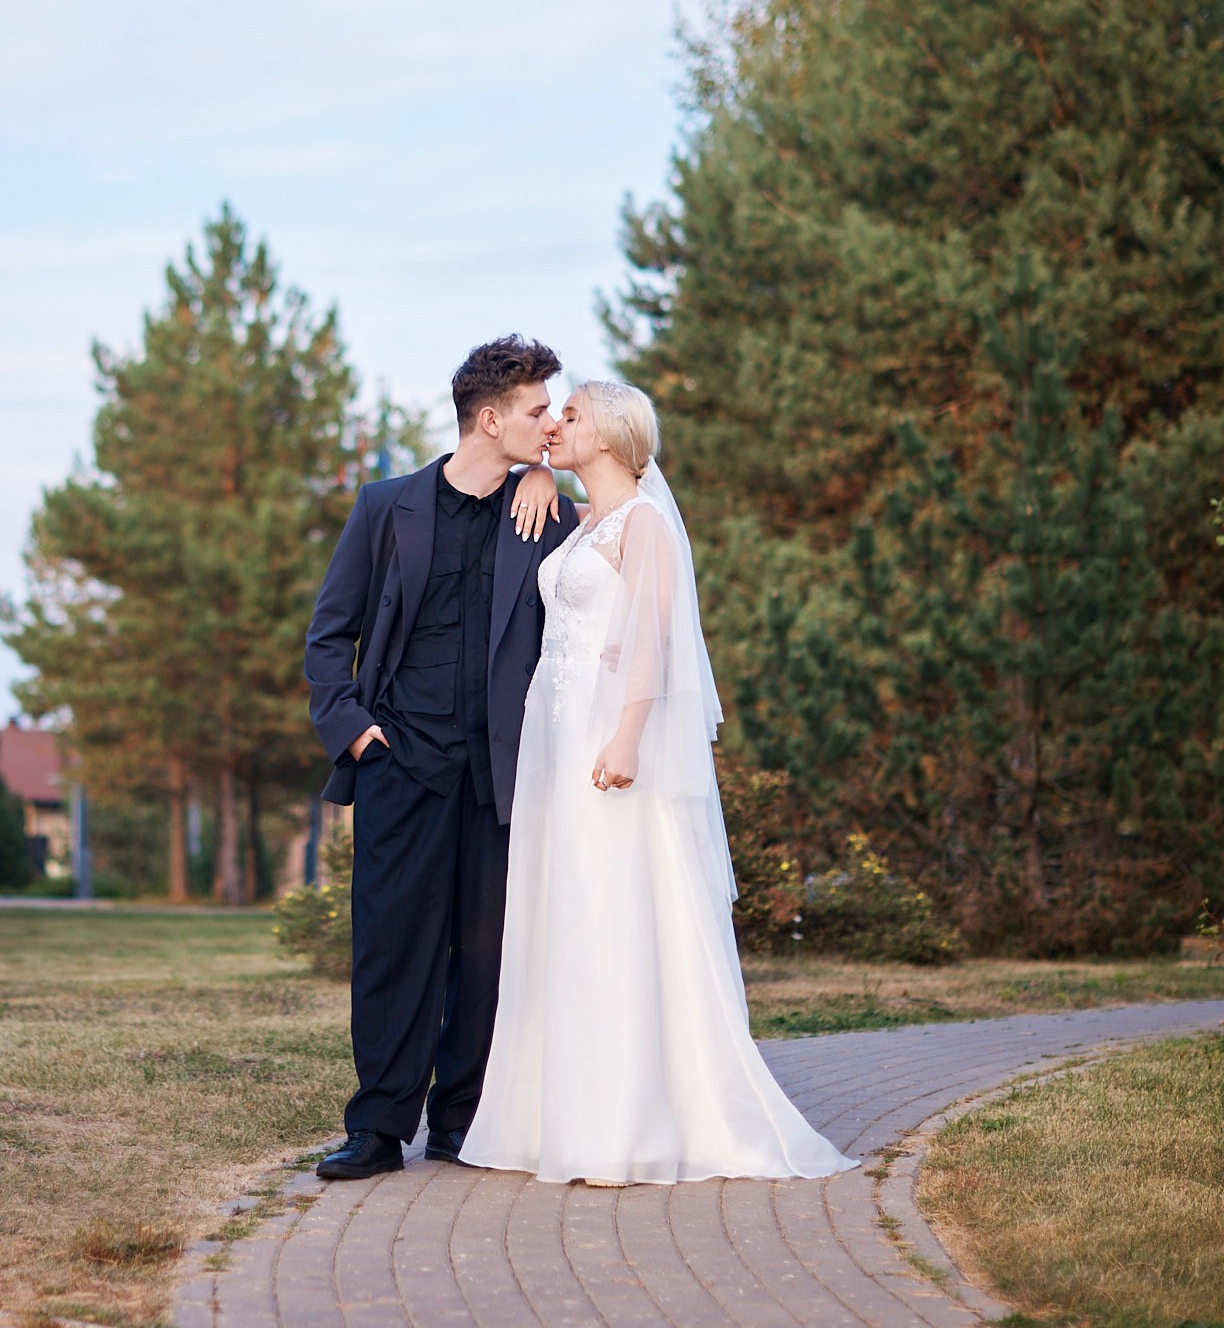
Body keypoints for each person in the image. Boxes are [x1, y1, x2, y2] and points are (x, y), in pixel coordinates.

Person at [461, 380, 855, 1184]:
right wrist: (537, 476)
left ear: (605, 434)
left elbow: (655, 640)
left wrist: (629, 735)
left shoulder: (643, 525)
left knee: (611, 908)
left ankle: (623, 1123)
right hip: (555, 737)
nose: (553, 427)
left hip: (608, 742)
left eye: (567, 416)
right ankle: (547, 1121)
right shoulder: (584, 523)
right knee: (559, 910)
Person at [301, 336, 582, 1180]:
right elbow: (329, 634)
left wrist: (548, 473)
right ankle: (378, 1128)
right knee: (392, 946)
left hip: (504, 774)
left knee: (487, 950)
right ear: (489, 418)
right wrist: (353, 728)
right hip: (402, 763)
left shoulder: (548, 512)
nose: (552, 421)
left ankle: (464, 1120)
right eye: (538, 411)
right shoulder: (386, 507)